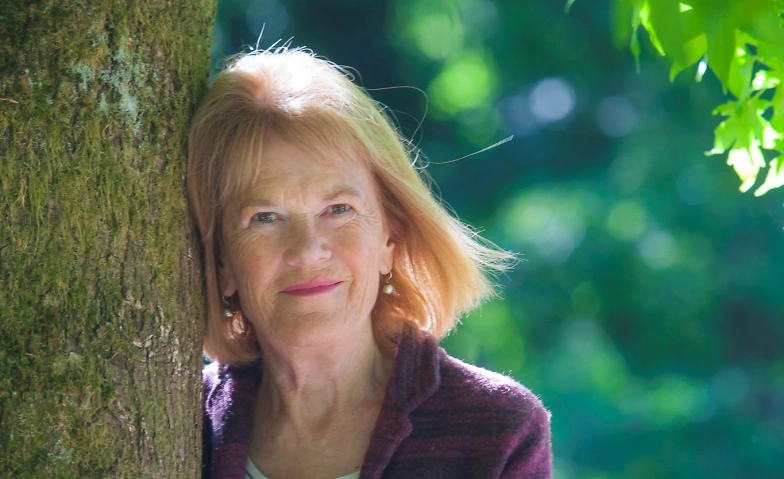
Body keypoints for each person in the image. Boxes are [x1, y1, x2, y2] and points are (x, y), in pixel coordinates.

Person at [187, 46, 552, 479]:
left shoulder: (496, 428)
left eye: (338, 209)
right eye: (264, 217)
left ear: (389, 238)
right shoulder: (183, 423)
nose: (308, 250)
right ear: (222, 261)